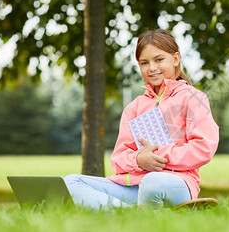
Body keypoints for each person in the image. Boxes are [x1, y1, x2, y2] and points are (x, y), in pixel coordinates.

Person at [64, 29, 219, 209]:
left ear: (176, 59)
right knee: (71, 182)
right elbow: (118, 158)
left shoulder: (192, 98)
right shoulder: (134, 107)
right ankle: (130, 213)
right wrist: (138, 159)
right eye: (144, 63)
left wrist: (157, 157)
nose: (152, 68)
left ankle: (138, 212)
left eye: (159, 59)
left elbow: (203, 147)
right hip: (133, 184)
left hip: (175, 182)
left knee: (152, 181)